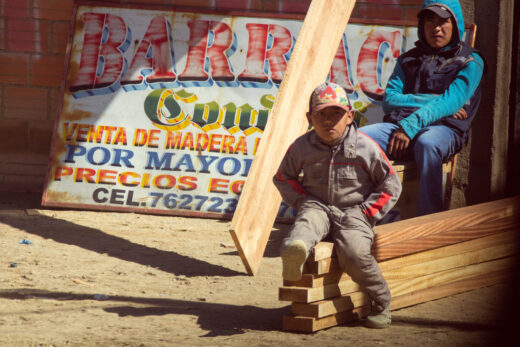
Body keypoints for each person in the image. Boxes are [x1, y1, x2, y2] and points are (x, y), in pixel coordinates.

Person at [273, 82, 402, 329]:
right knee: (307, 224)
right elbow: (283, 178)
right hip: (317, 206)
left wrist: (367, 212)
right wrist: (303, 200)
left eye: (336, 114)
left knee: (354, 253)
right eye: (321, 114)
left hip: (355, 212)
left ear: (350, 116)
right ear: (309, 117)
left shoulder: (365, 147)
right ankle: (293, 252)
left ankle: (381, 302)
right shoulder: (301, 147)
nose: (328, 121)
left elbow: (390, 183)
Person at [360, 0, 486, 216]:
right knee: (357, 139)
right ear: (422, 25)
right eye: (430, 21)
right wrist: (432, 100)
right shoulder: (408, 59)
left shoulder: (470, 61)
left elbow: (451, 103)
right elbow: (390, 100)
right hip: (399, 128)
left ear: (455, 24)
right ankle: (354, 214)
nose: (436, 28)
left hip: (443, 129)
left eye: (443, 22)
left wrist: (412, 123)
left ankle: (428, 220)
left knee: (427, 143)